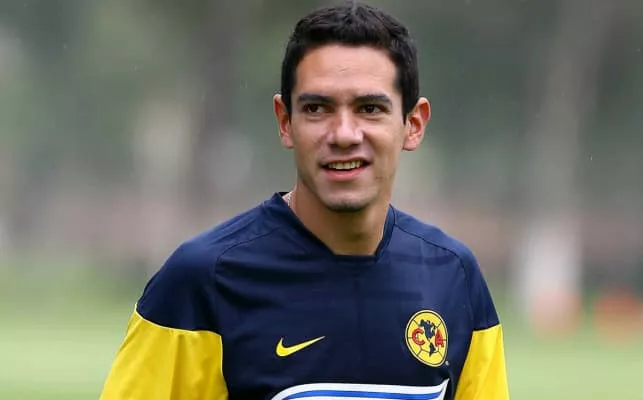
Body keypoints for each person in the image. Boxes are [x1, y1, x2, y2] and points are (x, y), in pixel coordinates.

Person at [99, 1, 510, 399]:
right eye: (317, 108)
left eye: (369, 108)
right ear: (285, 122)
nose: (344, 134)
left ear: (413, 125)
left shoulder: (455, 278)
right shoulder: (201, 282)